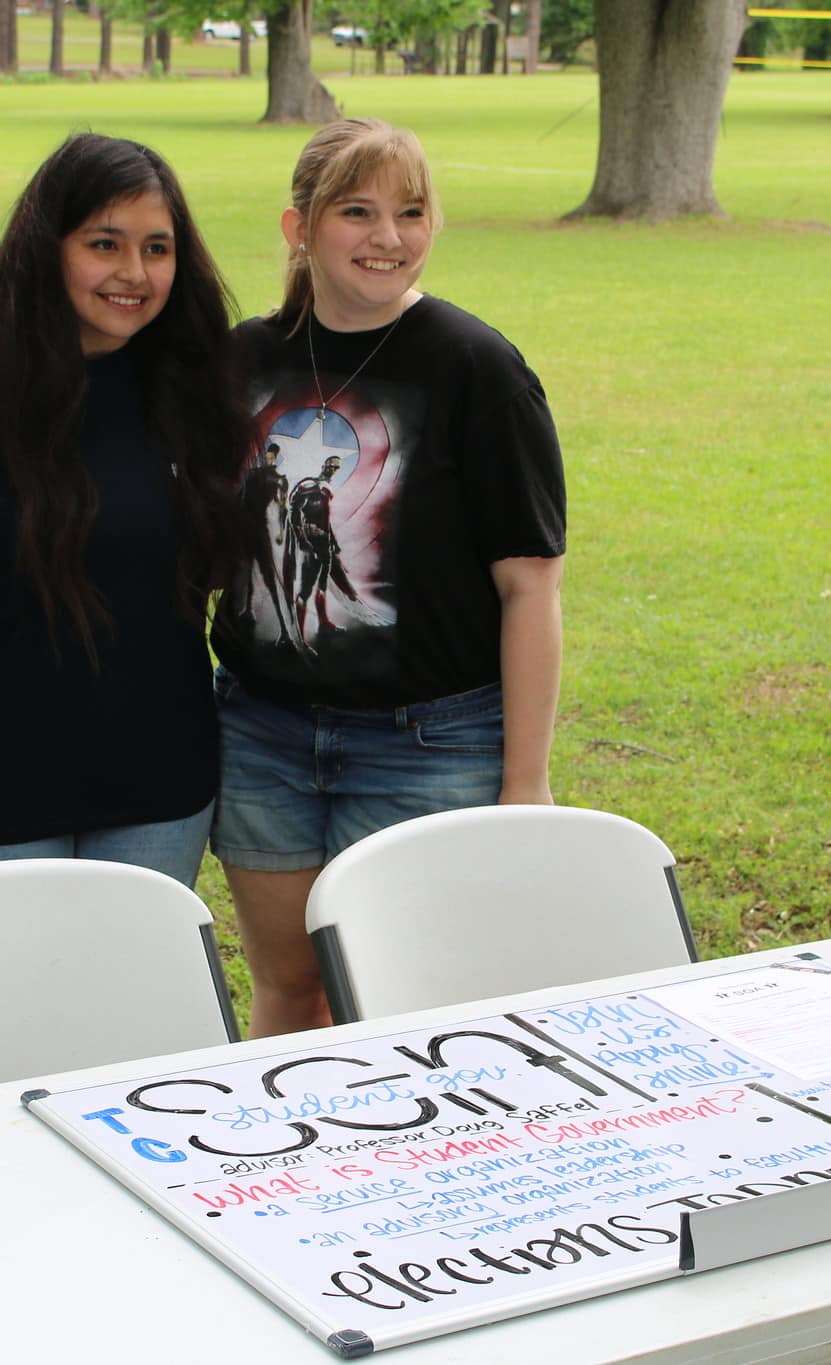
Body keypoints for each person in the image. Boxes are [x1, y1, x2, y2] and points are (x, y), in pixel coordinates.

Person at [210, 118, 568, 1036]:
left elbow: (531, 586)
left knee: (405, 1006)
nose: (389, 237)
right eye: (357, 212)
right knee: (291, 987)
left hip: (429, 745)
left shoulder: (476, 368)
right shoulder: (243, 361)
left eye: (412, 211)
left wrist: (525, 782)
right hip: (263, 735)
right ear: (299, 229)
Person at [0, 134, 249, 888]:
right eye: (106, 244)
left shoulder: (194, 387)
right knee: (4, 1005)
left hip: (158, 786)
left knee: (127, 1004)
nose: (134, 273)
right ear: (48, 247)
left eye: (157, 248)